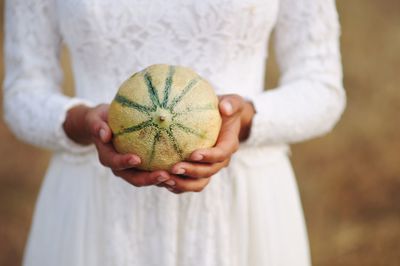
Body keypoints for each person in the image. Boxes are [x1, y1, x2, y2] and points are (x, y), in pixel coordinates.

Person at [3, 0, 346, 265]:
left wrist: (243, 120)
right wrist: (83, 123)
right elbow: (22, 94)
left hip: (241, 205)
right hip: (93, 206)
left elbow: (321, 86)